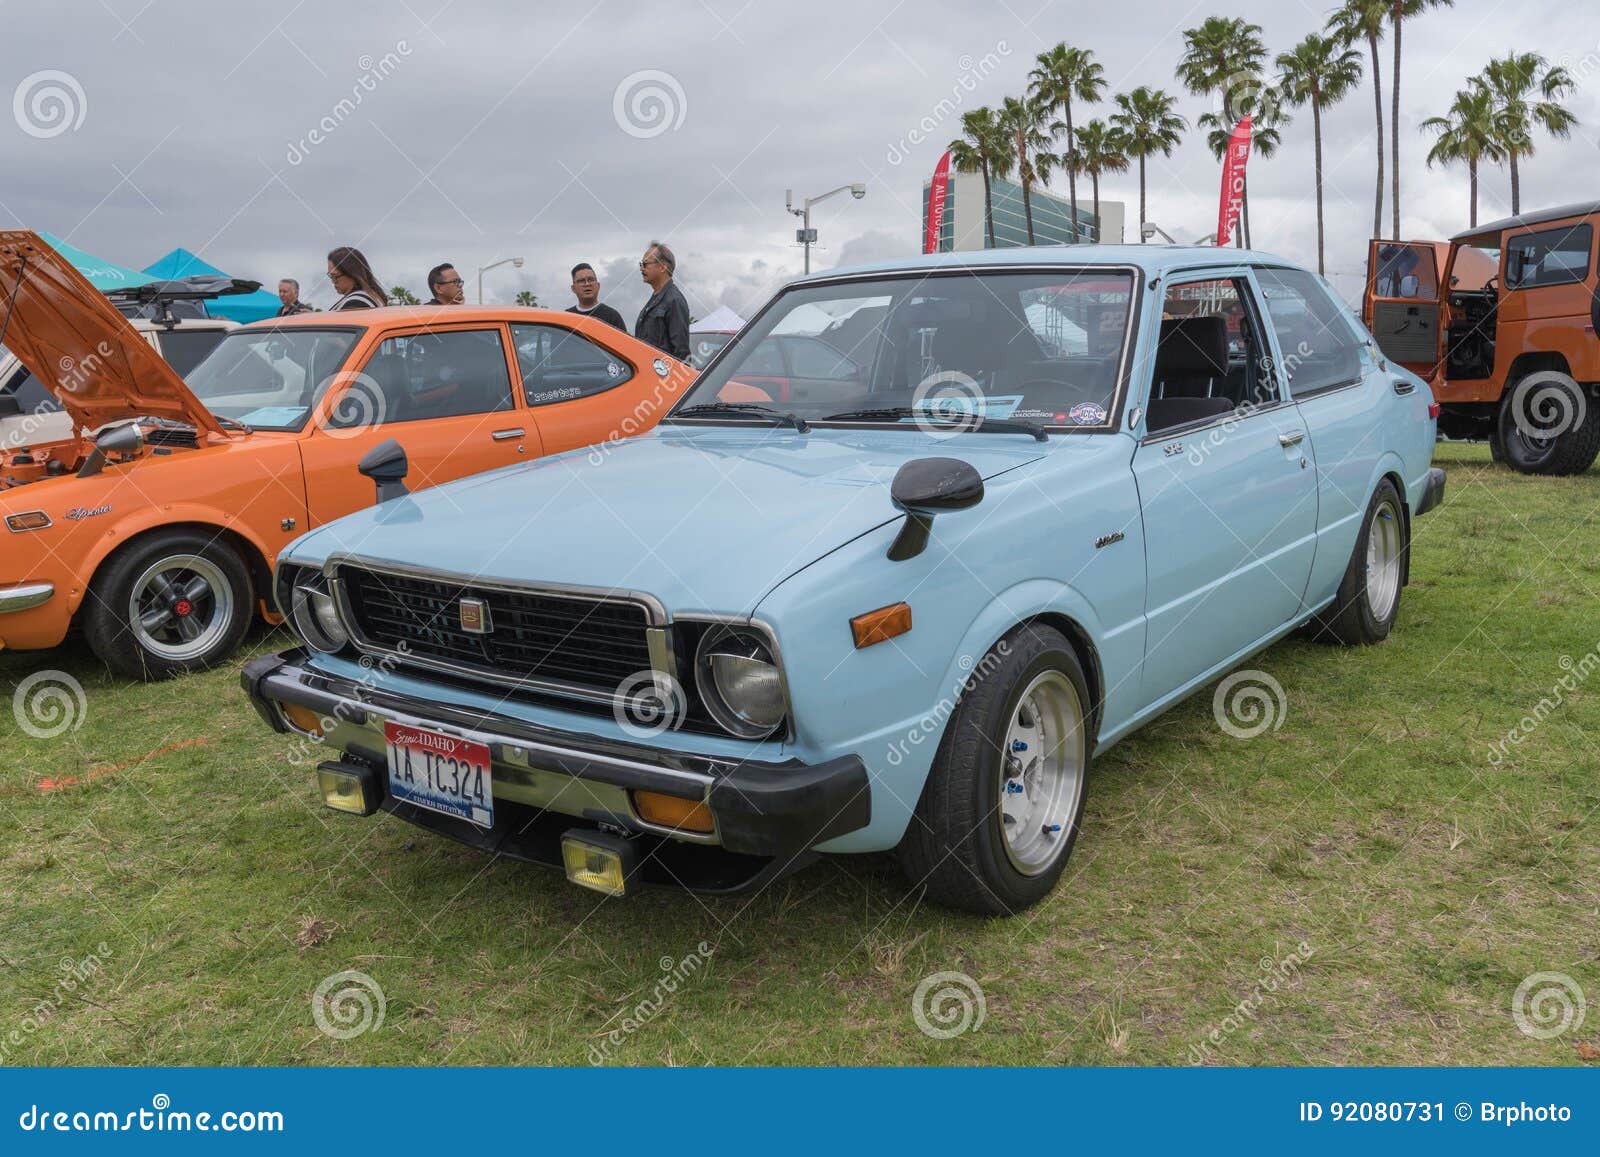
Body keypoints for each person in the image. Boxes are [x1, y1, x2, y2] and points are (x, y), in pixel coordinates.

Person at [634, 241, 690, 359]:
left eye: (645, 264)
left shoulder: (674, 300)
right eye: (641, 264)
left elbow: (681, 350)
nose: (641, 268)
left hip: (662, 374)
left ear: (662, 267)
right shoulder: (655, 298)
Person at [565, 263, 627, 332]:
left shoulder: (612, 316)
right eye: (581, 281)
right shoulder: (567, 317)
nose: (587, 284)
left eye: (591, 279)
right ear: (573, 288)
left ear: (598, 286)